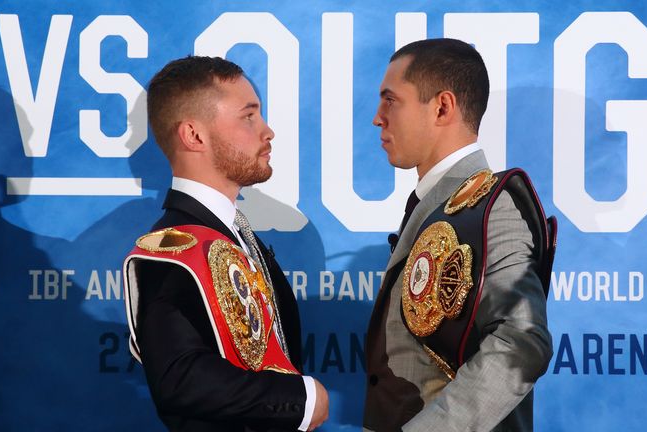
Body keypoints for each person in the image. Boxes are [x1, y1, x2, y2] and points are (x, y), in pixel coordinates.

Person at [124, 55, 328, 432]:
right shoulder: (171, 252)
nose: (267, 131)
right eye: (248, 117)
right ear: (194, 135)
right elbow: (179, 378)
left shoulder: (236, 233)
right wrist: (302, 400)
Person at [363, 38, 555, 431]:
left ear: (442, 107)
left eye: (391, 100)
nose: (377, 117)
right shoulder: (437, 205)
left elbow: (522, 342)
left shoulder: (492, 208)